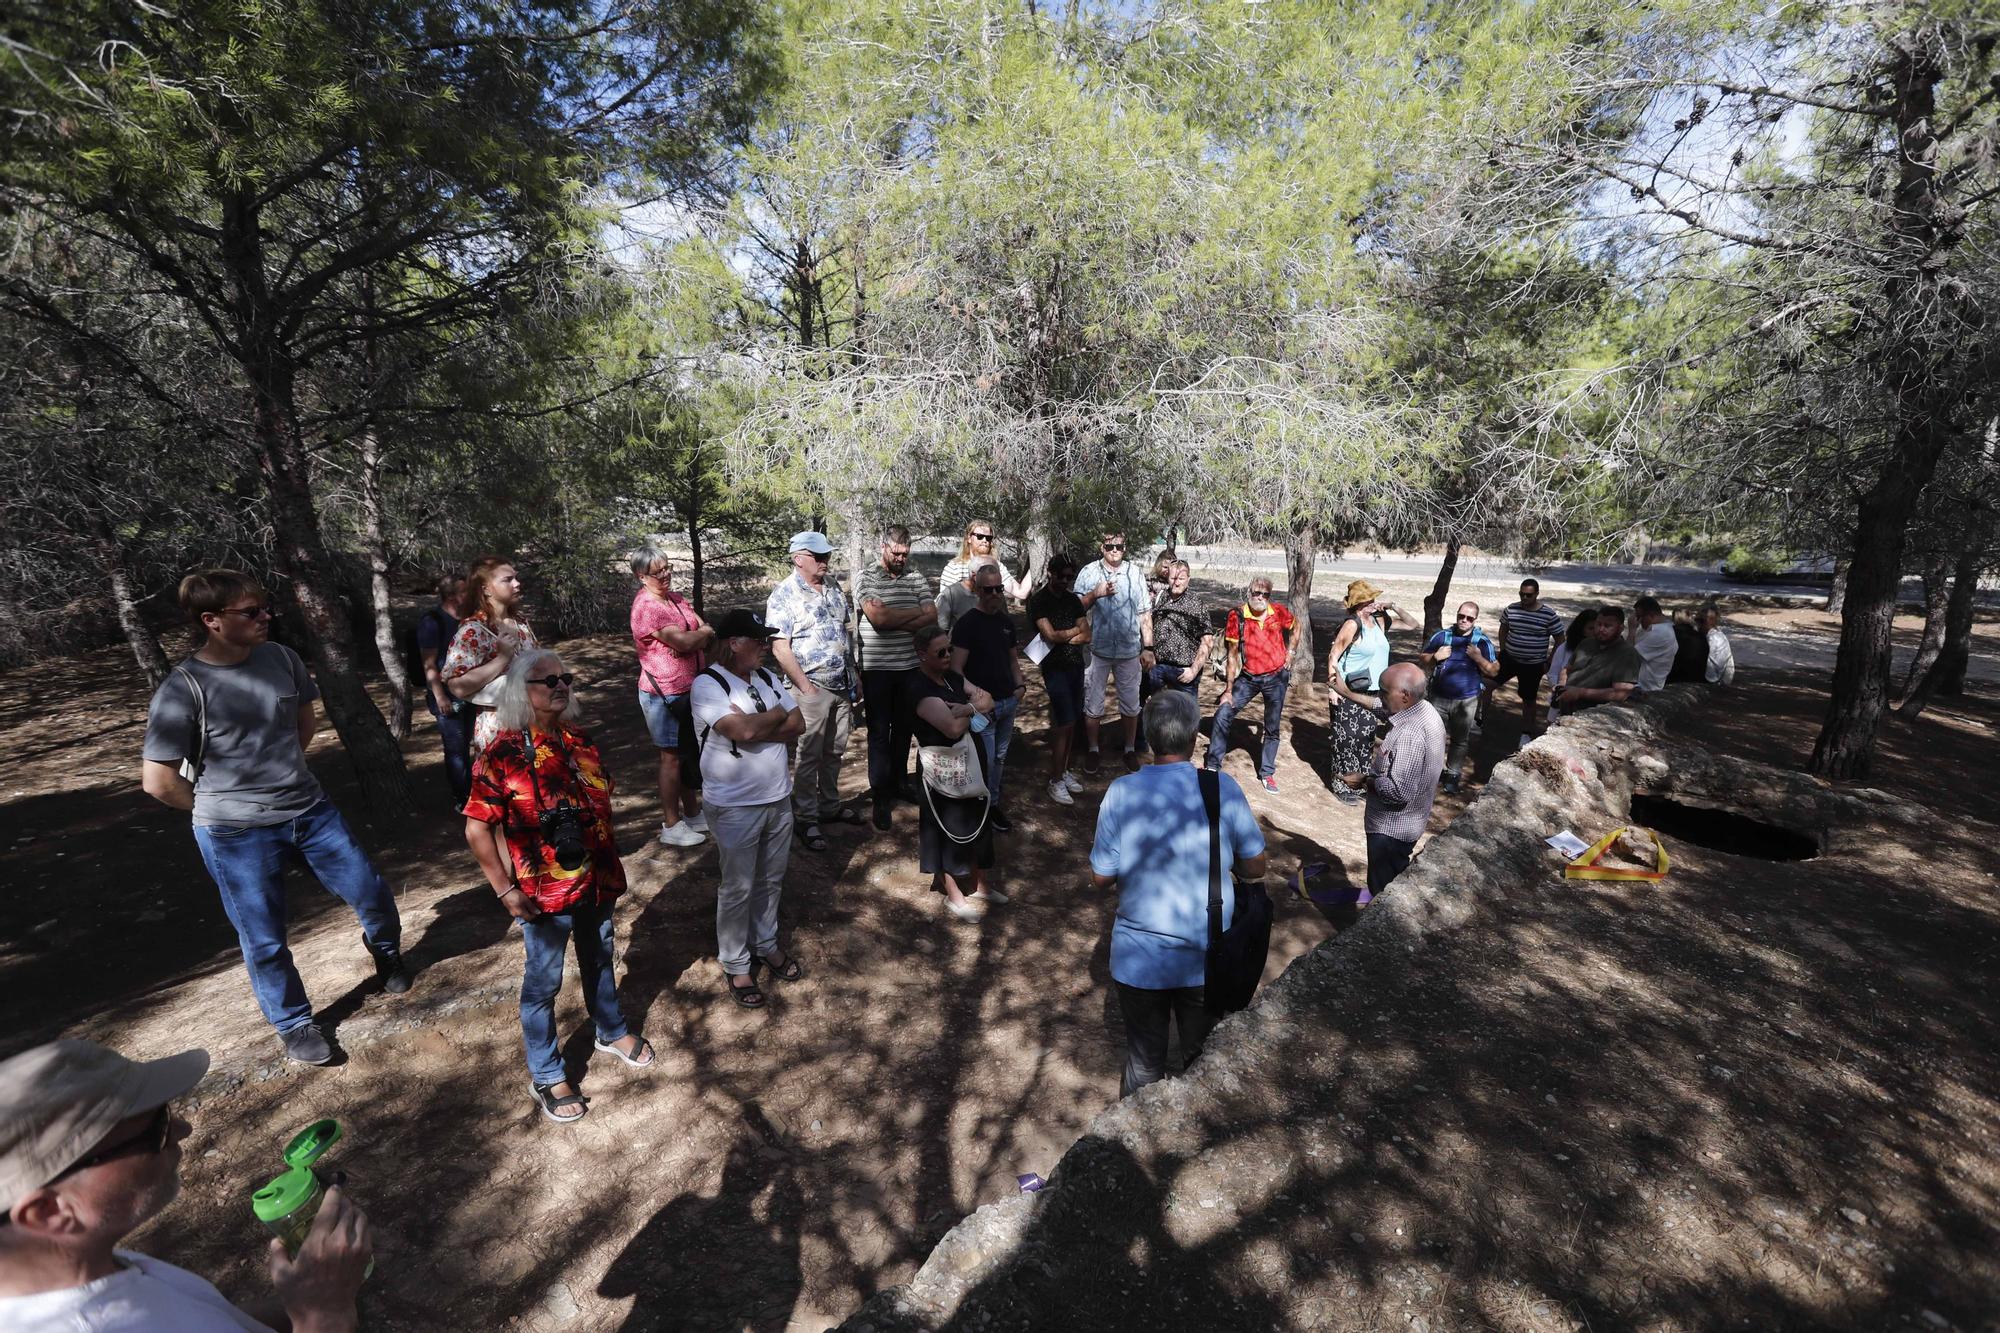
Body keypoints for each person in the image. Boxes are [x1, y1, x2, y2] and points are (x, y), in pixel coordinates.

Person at [140, 570, 407, 1067]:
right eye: (251, 612)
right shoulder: (183, 689)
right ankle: (294, 1023)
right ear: (212, 621)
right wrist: (218, 806)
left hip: (310, 811)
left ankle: (386, 951)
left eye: (265, 608)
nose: (266, 617)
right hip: (234, 833)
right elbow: (158, 782)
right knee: (263, 937)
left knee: (370, 890)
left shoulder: (281, 659)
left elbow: (303, 722)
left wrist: (281, 775)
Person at [0, 1039, 375, 1332]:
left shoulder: (83, 1268)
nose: (182, 1129)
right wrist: (326, 1317)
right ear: (49, 1212)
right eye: (156, 1129)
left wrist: (314, 1294)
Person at [463, 652, 654, 1123]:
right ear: (517, 691)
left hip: (598, 879)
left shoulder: (581, 742)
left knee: (599, 956)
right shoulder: (502, 754)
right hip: (542, 895)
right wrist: (505, 890)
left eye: (565, 677)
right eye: (545, 679)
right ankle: (547, 1073)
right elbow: (477, 828)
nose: (559, 685)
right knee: (543, 982)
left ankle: (610, 1030)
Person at [1090, 692, 1268, 1097]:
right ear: (1193, 738)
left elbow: (1101, 878)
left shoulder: (1121, 792)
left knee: (1143, 1064)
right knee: (1202, 1061)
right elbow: (1256, 866)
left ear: (1151, 739)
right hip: (1206, 956)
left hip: (1138, 960)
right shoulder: (1219, 787)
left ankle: (1128, 1144)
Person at [691, 610, 808, 1010]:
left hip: (777, 797)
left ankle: (766, 943)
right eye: (757, 640)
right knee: (738, 886)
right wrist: (766, 720)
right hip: (734, 804)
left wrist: (761, 723)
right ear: (733, 643)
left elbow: (798, 725)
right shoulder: (707, 685)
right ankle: (737, 963)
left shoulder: (768, 678)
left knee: (771, 879)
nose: (764, 646)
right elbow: (740, 731)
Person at [765, 531, 861, 852]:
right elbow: (780, 647)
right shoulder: (783, 595)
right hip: (811, 687)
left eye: (827, 556)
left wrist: (854, 674)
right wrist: (804, 686)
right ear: (798, 558)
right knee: (809, 755)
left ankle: (830, 806)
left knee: (835, 751)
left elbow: (846, 634)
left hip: (841, 683)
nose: (824, 562)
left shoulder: (833, 588)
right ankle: (806, 817)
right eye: (817, 556)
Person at [910, 623, 1001, 922]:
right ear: (922, 654)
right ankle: (953, 892)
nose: (948, 655)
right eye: (941, 651)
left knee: (976, 817)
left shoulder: (952, 677)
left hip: (969, 762)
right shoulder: (919, 688)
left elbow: (988, 700)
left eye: (949, 648)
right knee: (945, 826)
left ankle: (979, 883)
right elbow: (949, 728)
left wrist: (967, 709)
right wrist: (971, 709)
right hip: (940, 767)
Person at [1335, 663, 1445, 899]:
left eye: (1384, 691)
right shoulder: (1422, 708)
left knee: (1384, 892)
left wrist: (1365, 780)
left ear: (1404, 695)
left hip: (1391, 832)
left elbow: (1399, 792)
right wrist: (1346, 693)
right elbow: (1381, 707)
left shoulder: (1409, 735)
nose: (1379, 696)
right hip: (1406, 827)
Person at [631, 546, 714, 848]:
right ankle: (671, 822)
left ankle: (691, 813)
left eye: (667, 568)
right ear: (642, 577)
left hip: (690, 689)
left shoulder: (676, 599)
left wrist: (700, 634)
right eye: (657, 572)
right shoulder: (646, 608)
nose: (665, 575)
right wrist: (701, 635)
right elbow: (686, 640)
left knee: (687, 752)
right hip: (662, 694)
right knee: (670, 758)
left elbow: (701, 629)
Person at [856, 525, 938, 830]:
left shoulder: (915, 577)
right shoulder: (867, 577)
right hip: (877, 667)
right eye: (896, 552)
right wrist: (911, 614)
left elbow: (933, 617)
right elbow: (877, 619)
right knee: (879, 732)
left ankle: (900, 783)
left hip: (909, 667)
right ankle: (880, 794)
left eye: (906, 553)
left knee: (904, 729)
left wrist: (893, 618)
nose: (901, 558)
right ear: (883, 547)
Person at [1325, 580, 1417, 804]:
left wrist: (1392, 606)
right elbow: (1334, 655)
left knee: (1365, 739)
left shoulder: (1379, 621)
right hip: (1349, 690)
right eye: (1368, 601)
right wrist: (1333, 688)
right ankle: (1341, 783)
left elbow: (1412, 624)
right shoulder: (1352, 624)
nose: (1373, 604)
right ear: (1358, 604)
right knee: (1346, 739)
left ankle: (1358, 784)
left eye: (1373, 600)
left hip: (1376, 692)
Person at [950, 563, 1025, 830]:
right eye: (989, 589)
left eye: (999, 588)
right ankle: (979, 809)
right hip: (983, 707)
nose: (995, 594)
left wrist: (1020, 687)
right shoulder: (967, 624)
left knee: (1000, 758)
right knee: (985, 760)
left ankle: (992, 805)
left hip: (1008, 701)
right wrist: (975, 694)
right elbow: (955, 668)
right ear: (979, 590)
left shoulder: (1006, 622)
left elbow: (1013, 660)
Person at [1074, 530, 1156, 774]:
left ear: (1125, 547)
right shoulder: (1089, 572)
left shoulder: (1134, 573)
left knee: (1131, 704)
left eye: (1119, 547)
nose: (1114, 551)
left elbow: (1144, 612)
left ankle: (1130, 750)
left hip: (1129, 650)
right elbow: (1075, 607)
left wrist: (1148, 647)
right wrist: (1095, 593)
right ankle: (1093, 750)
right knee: (1093, 703)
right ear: (1102, 547)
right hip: (1097, 649)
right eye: (1109, 546)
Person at [1204, 577, 1295, 793]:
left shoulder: (1279, 612)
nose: (1260, 598)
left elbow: (1296, 627)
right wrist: (1228, 689)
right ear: (1249, 592)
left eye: (1265, 594)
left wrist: (1290, 652)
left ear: (1270, 596)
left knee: (1272, 726)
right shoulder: (1237, 616)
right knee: (1224, 713)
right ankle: (1212, 765)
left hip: (1276, 678)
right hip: (1248, 678)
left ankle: (1267, 773)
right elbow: (1233, 654)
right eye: (1256, 593)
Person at [444, 556, 540, 754]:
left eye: (516, 578)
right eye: (508, 580)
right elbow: (457, 686)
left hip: (537, 722)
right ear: (485, 589)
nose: (517, 583)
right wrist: (502, 659)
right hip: (501, 733)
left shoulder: (521, 623)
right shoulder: (473, 630)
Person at [1027, 552, 1091, 806]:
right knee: (1062, 722)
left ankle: (1063, 771)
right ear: (1050, 573)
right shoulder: (1039, 601)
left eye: (1069, 577)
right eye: (1061, 576)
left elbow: (1087, 635)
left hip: (1075, 665)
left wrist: (1069, 634)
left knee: (1072, 720)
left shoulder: (1073, 600)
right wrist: (1074, 631)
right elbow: (1049, 635)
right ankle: (1055, 779)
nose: (1065, 581)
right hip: (1054, 668)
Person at [1422, 601, 1499, 795]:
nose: (1464, 621)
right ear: (1456, 615)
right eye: (1461, 616)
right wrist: (1435, 657)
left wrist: (1478, 658)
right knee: (1434, 738)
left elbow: (1494, 671)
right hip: (1438, 697)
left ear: (1475, 620)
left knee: (1460, 740)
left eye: (1469, 618)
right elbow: (1422, 658)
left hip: (1467, 700)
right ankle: (1433, 772)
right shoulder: (1442, 636)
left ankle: (1453, 775)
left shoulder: (1481, 642)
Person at [416, 571, 473, 809]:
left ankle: (476, 791)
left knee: (474, 742)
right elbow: (428, 664)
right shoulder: (432, 622)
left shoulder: (469, 619)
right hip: (446, 698)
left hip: (471, 693)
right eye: (465, 591)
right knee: (456, 748)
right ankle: (463, 797)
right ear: (452, 596)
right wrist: (439, 696)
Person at [1485, 577, 1564, 746]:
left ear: (1536, 594)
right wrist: (1504, 649)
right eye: (1522, 594)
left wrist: (1549, 662)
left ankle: (1526, 733)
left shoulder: (1548, 614)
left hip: (1533, 665)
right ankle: (1479, 720)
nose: (1524, 598)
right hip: (1509, 659)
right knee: (1486, 685)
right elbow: (1503, 629)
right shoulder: (1511, 610)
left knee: (1528, 700)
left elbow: (1560, 639)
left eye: (1529, 595)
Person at [1551, 605, 1645, 716]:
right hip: (1566, 711)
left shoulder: (1627, 653)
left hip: (1593, 716)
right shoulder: (1586, 643)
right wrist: (1561, 685)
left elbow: (1621, 693)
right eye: (1598, 624)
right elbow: (1567, 669)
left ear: (1620, 629)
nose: (1601, 629)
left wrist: (1580, 693)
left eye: (1607, 626)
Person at [1149, 560, 1214, 702]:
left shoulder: (1196, 604)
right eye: (1173, 578)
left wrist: (1193, 671)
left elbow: (1207, 641)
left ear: (1188, 580)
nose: (1176, 583)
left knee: (1186, 717)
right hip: (1159, 668)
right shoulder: (1160, 598)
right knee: (1158, 713)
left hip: (1184, 671)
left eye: (1181, 579)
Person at [939, 519, 1031, 598]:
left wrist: (1038, 564)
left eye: (988, 538)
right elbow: (943, 604)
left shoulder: (997, 566)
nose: (985, 541)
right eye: (979, 536)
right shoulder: (953, 568)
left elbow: (1021, 593)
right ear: (969, 538)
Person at [1544, 609, 1597, 727]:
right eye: (1590, 628)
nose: (1595, 632)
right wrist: (1557, 687)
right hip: (1562, 699)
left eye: (1596, 628)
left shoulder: (1602, 649)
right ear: (1581, 629)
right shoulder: (1565, 648)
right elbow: (1553, 673)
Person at [936, 555, 1001, 635]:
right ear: (975, 576)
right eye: (988, 572)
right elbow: (941, 631)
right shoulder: (950, 594)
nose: (994, 593)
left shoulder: (997, 594)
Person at [1631, 595, 1677, 694]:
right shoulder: (1651, 629)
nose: (1637, 621)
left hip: (1645, 688)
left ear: (1651, 615)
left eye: (1639, 617)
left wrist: (1632, 629)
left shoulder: (1661, 633)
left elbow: (1628, 655)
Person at [1667, 606, 1712, 685]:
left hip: (1673, 679)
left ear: (1673, 619)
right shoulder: (1700, 636)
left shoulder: (1668, 636)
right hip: (1697, 678)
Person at [1702, 606, 1737, 686]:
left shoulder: (1715, 638)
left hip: (1719, 678)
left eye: (1699, 621)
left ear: (1708, 621)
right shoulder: (1711, 635)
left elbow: (1715, 664)